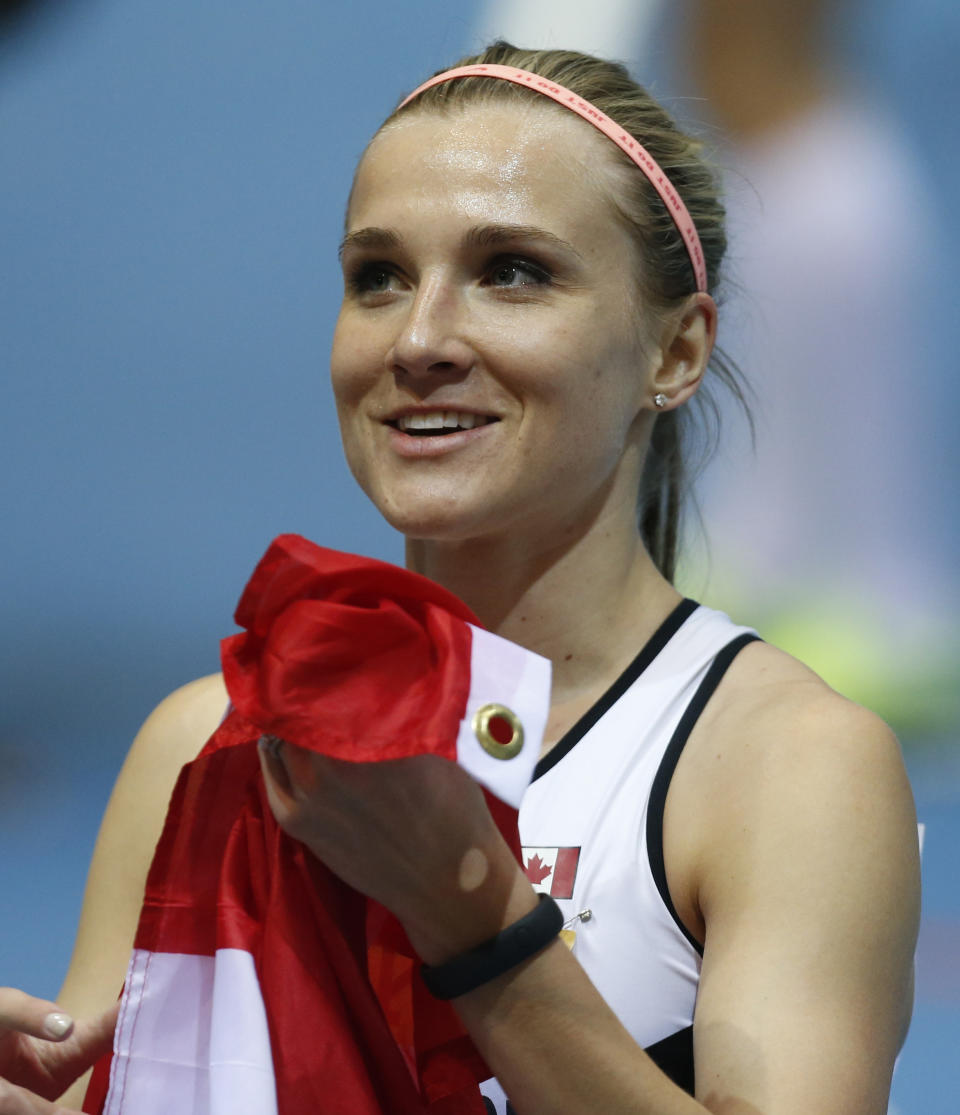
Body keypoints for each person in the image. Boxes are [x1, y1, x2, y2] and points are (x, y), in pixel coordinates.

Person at [1, 40, 920, 1115]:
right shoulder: (204, 742)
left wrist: (473, 919)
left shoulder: (787, 767)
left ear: (675, 352)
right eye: (377, 277)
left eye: (511, 271)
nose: (421, 336)